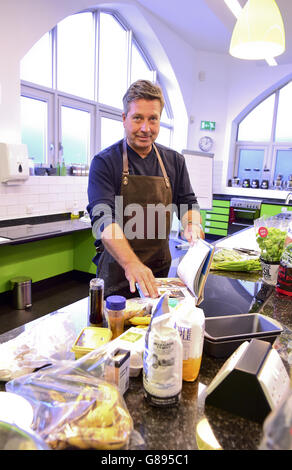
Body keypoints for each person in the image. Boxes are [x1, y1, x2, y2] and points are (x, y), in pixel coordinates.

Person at [87, 80, 202, 299]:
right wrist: (131, 263)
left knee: (156, 327)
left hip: (158, 270)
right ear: (124, 118)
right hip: (118, 270)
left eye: (153, 119)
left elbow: (187, 202)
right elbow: (104, 221)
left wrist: (191, 224)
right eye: (138, 118)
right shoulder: (105, 162)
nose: (145, 128)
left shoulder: (174, 161)